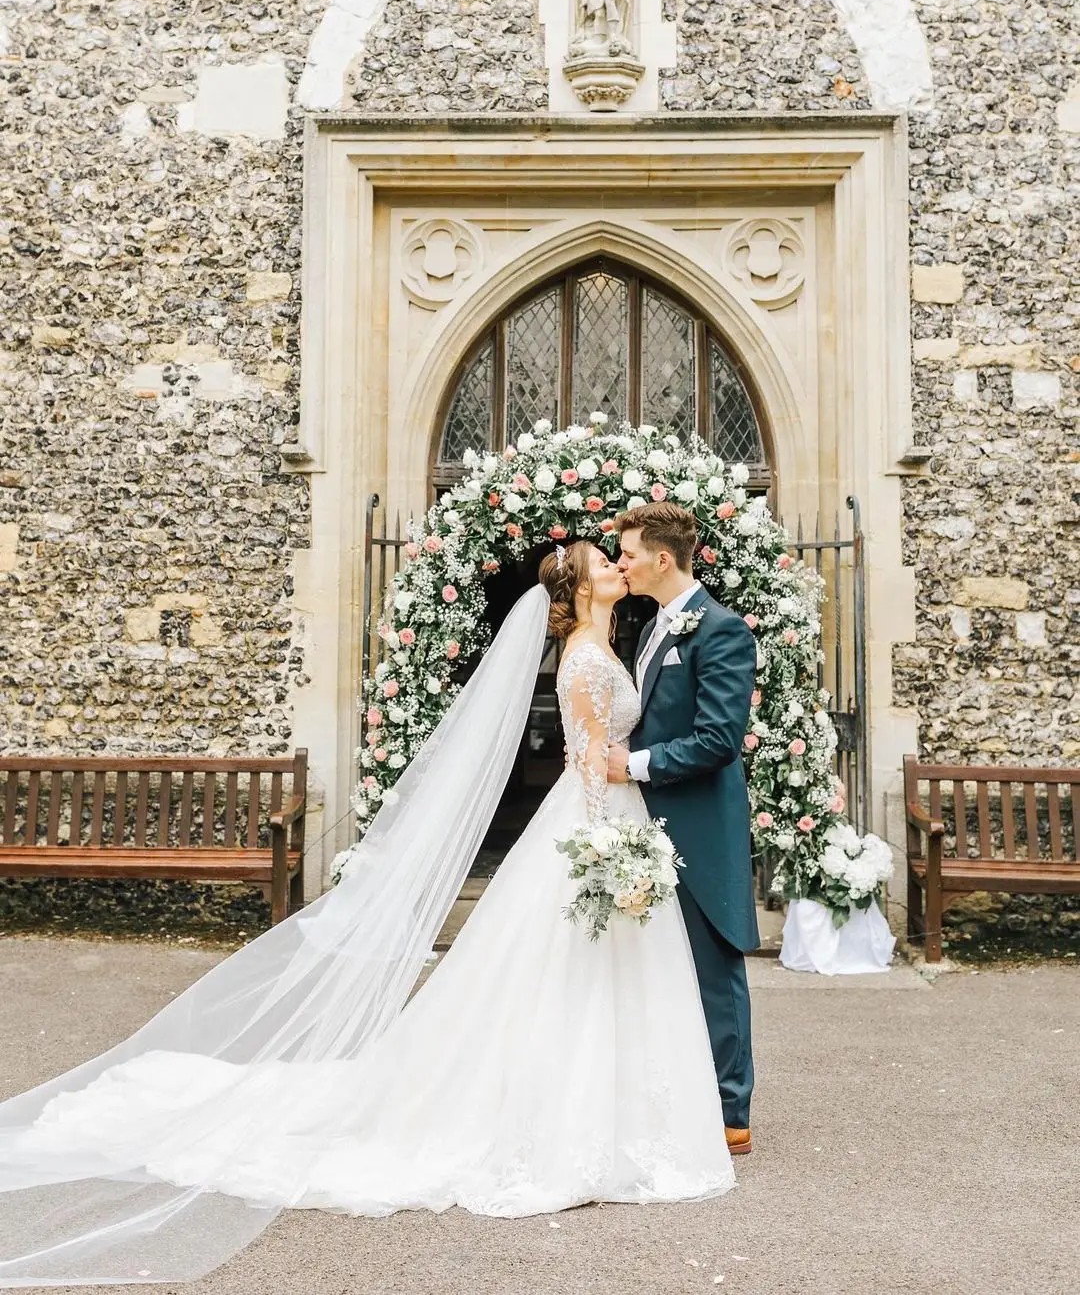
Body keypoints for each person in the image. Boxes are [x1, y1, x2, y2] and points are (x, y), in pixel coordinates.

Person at [0, 543, 734, 1290]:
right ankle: (579, 1116)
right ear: (578, 589)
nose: (616, 564)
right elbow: (585, 766)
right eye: (601, 561)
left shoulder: (617, 642)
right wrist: (607, 852)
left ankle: (620, 1111)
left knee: (599, 980)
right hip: (595, 826)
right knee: (565, 974)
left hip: (620, 817)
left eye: (618, 557)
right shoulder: (582, 658)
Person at [611, 503, 759, 1154]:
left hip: (698, 826)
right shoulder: (651, 631)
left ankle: (731, 1112)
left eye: (629, 553)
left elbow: (719, 740)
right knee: (656, 966)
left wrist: (633, 766)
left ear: (662, 559)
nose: (622, 563)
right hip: (649, 822)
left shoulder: (722, 632)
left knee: (711, 968)